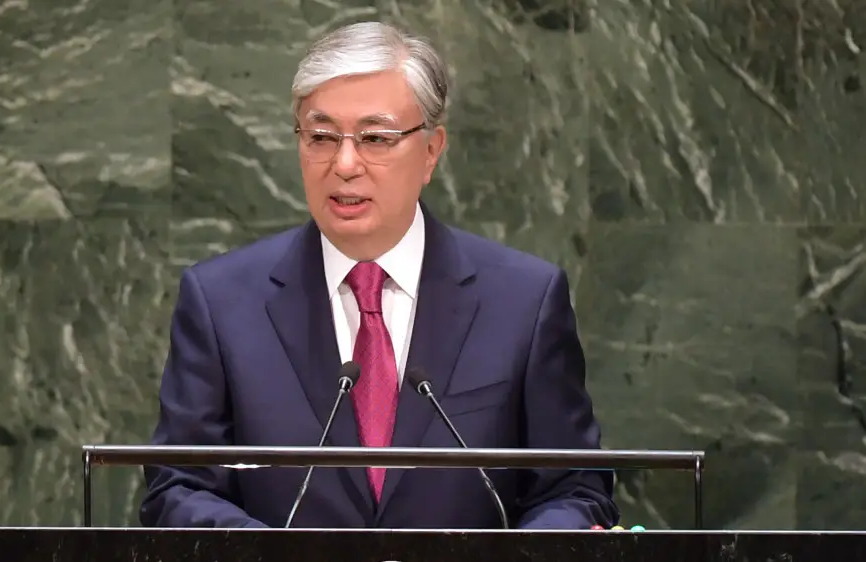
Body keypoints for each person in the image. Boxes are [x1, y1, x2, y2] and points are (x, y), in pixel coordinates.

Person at [139, 21, 619, 530]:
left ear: (431, 151)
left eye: (375, 138)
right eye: (321, 137)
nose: (345, 163)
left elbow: (574, 490)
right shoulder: (221, 303)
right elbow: (179, 487)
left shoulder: (524, 301)